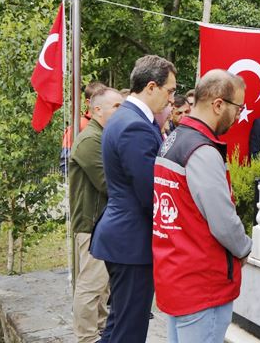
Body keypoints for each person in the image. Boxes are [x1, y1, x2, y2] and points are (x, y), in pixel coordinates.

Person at [153, 70, 252, 343]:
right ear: (219, 104)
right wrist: (244, 247)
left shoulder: (173, 141)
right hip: (202, 281)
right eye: (238, 108)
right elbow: (222, 220)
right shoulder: (202, 150)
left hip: (176, 271)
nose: (239, 115)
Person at [90, 55, 176, 343]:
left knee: (118, 326)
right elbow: (150, 192)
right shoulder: (134, 125)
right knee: (130, 331)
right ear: (151, 87)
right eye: (170, 90)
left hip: (124, 239)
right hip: (131, 242)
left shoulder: (129, 117)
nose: (171, 99)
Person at [69, 86, 123, 343]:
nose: (121, 111)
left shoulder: (101, 136)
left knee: (101, 286)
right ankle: (86, 337)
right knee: (91, 286)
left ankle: (99, 330)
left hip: (101, 223)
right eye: (116, 107)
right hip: (91, 224)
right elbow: (108, 182)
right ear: (97, 110)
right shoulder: (90, 139)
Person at [60, 81, 106, 174]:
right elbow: (65, 164)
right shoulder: (78, 126)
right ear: (88, 102)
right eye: (99, 101)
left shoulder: (107, 125)